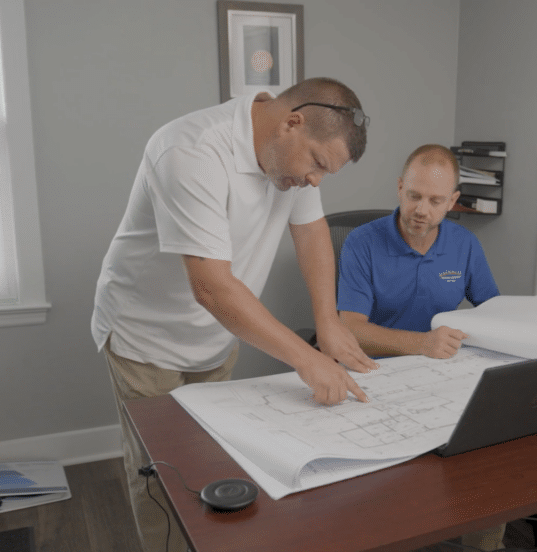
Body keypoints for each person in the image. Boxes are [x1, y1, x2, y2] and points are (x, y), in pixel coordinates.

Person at [92, 77, 378, 552]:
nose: (314, 181)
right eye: (318, 165)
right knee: (160, 472)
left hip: (217, 333)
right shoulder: (190, 152)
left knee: (210, 456)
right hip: (144, 333)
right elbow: (211, 286)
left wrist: (328, 322)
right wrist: (307, 359)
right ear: (291, 123)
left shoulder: (293, 158)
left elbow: (312, 234)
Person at [337, 144, 505, 550]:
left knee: (492, 472)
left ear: (452, 202)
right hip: (375, 379)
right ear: (399, 189)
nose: (421, 210)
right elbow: (349, 329)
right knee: (393, 497)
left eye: (434, 201)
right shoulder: (362, 242)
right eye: (413, 196)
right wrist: (422, 344)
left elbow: (496, 313)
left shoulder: (464, 245)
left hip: (440, 379)